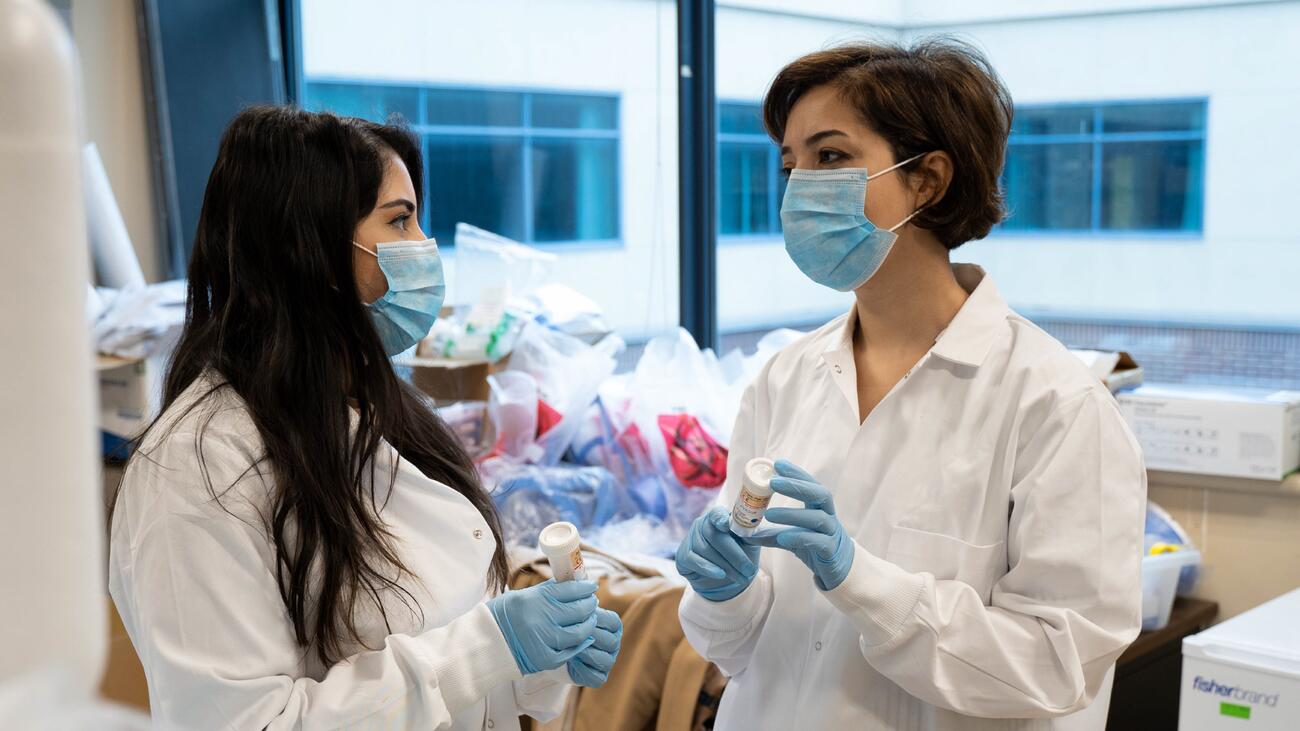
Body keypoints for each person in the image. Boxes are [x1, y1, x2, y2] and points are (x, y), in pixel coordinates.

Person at [675, 39, 1145, 730]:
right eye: (790, 164)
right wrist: (723, 593)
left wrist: (860, 579)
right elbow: (736, 649)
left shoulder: (1054, 403)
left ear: (926, 179)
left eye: (830, 156)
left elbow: (1058, 665)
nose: (799, 187)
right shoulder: (783, 378)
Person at [108, 106, 621, 730]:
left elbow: (447, 662)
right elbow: (245, 721)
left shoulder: (373, 410)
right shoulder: (199, 465)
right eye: (399, 221)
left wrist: (538, 662)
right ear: (312, 248)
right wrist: (491, 645)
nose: (424, 249)